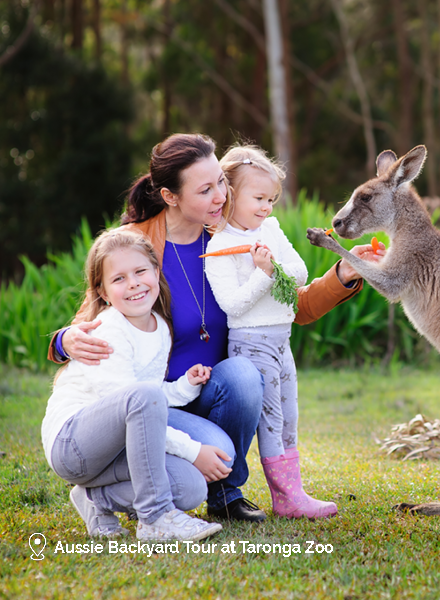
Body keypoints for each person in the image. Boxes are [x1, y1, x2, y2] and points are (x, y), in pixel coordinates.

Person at [48, 133, 378, 522]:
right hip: (157, 401)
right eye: (205, 190)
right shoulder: (136, 245)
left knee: (243, 375)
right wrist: (63, 341)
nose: (221, 196)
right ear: (171, 197)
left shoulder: (231, 236)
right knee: (199, 468)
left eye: (220, 181)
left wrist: (342, 273)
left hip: (208, 388)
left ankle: (226, 495)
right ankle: (125, 486)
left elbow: (292, 307)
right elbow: (95, 319)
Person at [42, 228, 228, 540]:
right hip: (74, 445)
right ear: (102, 292)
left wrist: (185, 386)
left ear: (157, 272)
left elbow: (150, 404)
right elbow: (138, 400)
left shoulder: (159, 329)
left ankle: (95, 498)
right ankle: (156, 517)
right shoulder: (110, 331)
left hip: (116, 451)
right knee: (146, 400)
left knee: (191, 486)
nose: (133, 284)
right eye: (119, 279)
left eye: (141, 271)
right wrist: (193, 449)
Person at [205, 144, 334, 518]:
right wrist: (264, 274)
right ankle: (287, 497)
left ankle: (291, 494)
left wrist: (271, 266)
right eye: (259, 198)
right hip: (251, 343)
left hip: (282, 339)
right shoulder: (221, 247)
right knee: (271, 419)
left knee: (289, 413)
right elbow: (233, 305)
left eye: (272, 200)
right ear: (229, 194)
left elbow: (300, 272)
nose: (266, 207)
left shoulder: (270, 229)